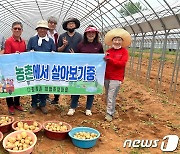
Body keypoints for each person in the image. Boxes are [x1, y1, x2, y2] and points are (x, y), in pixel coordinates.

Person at [67, 25, 104, 116]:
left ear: (96, 34)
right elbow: (77, 57)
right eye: (89, 33)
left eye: (93, 33)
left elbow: (101, 57)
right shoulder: (81, 45)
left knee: (91, 89)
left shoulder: (99, 45)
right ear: (86, 34)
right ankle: (72, 107)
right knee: (77, 88)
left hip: (92, 72)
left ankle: (88, 108)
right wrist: (74, 55)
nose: (91, 34)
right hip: (81, 71)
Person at [27, 20, 56, 114]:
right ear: (37, 30)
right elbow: (27, 52)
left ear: (47, 30)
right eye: (40, 28)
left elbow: (54, 53)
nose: (42, 30)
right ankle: (34, 104)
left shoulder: (50, 41)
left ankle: (43, 104)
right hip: (35, 68)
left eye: (44, 29)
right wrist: (30, 53)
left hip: (46, 68)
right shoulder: (32, 40)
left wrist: (53, 54)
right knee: (35, 85)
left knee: (44, 85)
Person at [104, 28, 131, 122]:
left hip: (117, 77)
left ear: (122, 42)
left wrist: (110, 59)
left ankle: (109, 113)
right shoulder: (109, 51)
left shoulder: (124, 52)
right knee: (108, 95)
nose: (117, 42)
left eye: (119, 40)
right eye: (115, 40)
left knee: (111, 95)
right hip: (107, 76)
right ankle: (111, 110)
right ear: (112, 41)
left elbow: (122, 64)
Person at [4, 21, 26, 115]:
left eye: (19, 29)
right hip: (9, 68)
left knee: (19, 86)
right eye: (15, 28)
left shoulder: (23, 41)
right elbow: (7, 55)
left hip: (19, 68)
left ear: (22, 30)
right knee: (10, 86)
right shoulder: (8, 41)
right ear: (12, 30)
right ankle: (10, 105)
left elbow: (25, 54)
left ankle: (17, 103)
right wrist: (14, 55)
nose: (17, 30)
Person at [46, 16, 60, 104]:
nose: (52, 24)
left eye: (54, 23)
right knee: (46, 77)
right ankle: (45, 96)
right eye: (51, 22)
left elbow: (57, 47)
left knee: (56, 77)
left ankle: (56, 98)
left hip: (54, 58)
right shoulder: (42, 32)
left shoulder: (56, 34)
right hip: (45, 59)